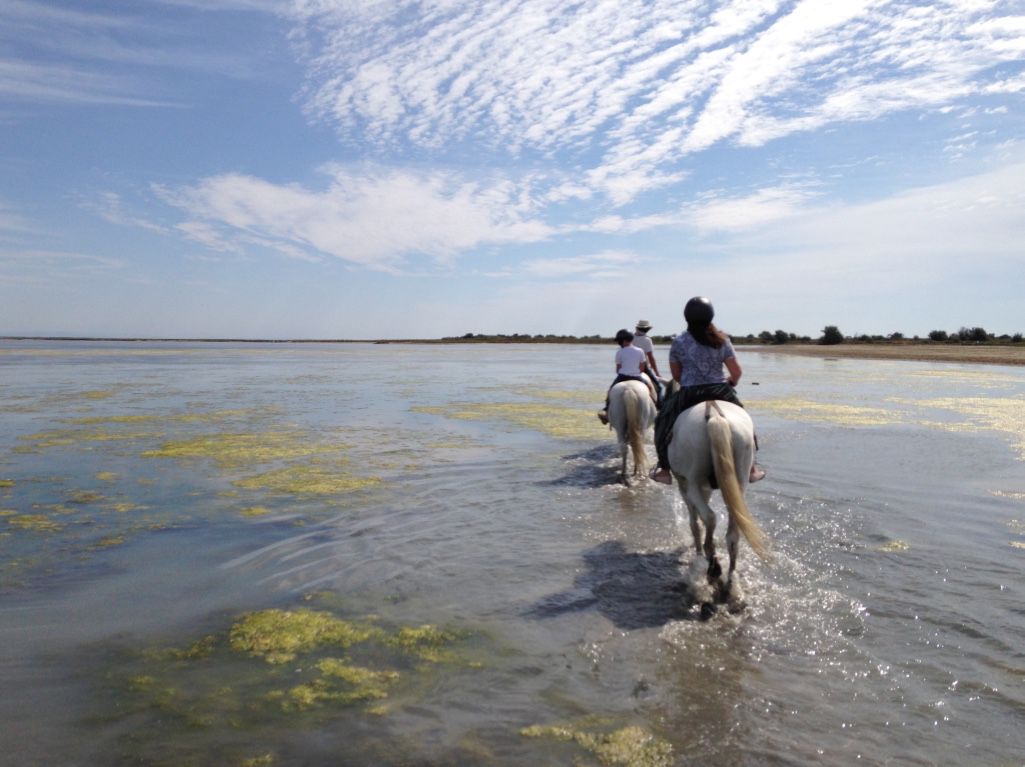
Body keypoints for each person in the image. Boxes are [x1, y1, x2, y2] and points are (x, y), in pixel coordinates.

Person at [650, 297, 765, 484]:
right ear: (711, 316)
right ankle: (752, 467)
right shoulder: (722, 340)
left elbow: (676, 375)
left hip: (690, 392)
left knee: (662, 420)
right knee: (745, 420)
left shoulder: (679, 342)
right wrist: (731, 382)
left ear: (686, 317)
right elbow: (736, 372)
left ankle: (664, 469)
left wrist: (691, 378)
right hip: (720, 389)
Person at [597, 329, 656, 425]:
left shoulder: (619, 352)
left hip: (622, 376)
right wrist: (636, 372)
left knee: (610, 390)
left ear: (623, 341)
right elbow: (642, 367)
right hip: (637, 377)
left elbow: (618, 369)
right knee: (649, 388)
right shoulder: (640, 351)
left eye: (619, 341)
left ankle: (607, 411)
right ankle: (656, 408)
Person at [632, 319, 663, 408]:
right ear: (647, 329)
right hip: (643, 367)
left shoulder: (630, 338)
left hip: (630, 366)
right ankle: (660, 408)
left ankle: (607, 409)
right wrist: (657, 373)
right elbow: (650, 357)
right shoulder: (647, 340)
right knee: (659, 387)